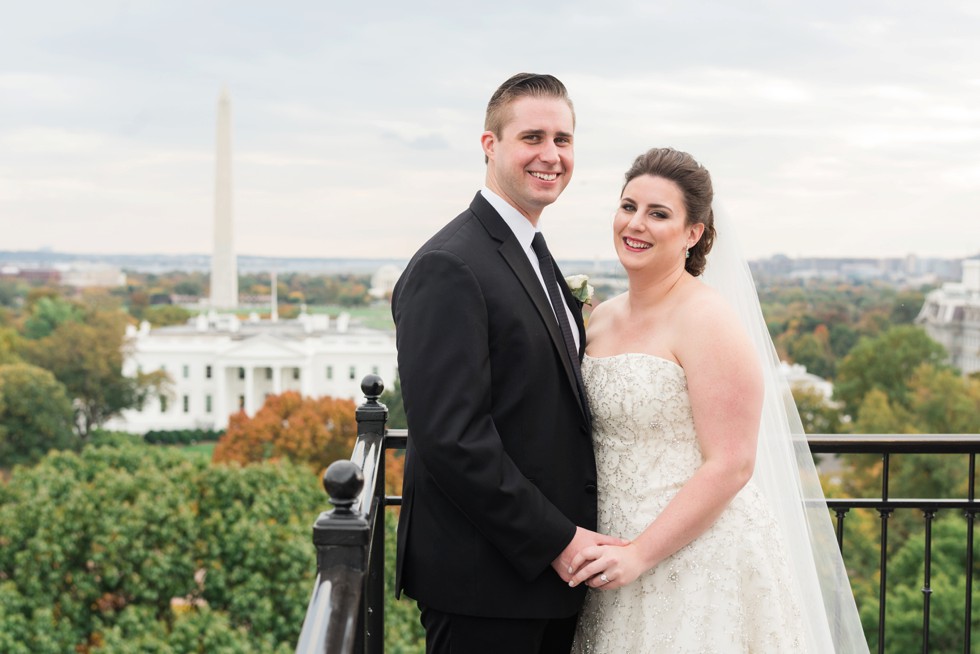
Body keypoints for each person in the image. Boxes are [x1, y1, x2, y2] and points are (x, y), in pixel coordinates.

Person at [568, 147, 869, 653]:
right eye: (628, 206)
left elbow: (731, 463)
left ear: (694, 233)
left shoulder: (708, 319)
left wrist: (641, 553)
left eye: (658, 213)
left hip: (696, 560)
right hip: (610, 552)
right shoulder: (602, 317)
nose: (635, 223)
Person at [391, 73, 625, 653]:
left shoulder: (531, 251)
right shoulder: (450, 265)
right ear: (490, 146)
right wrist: (559, 542)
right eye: (533, 137)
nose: (551, 155)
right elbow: (452, 438)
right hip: (485, 586)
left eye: (564, 140)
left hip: (545, 582)